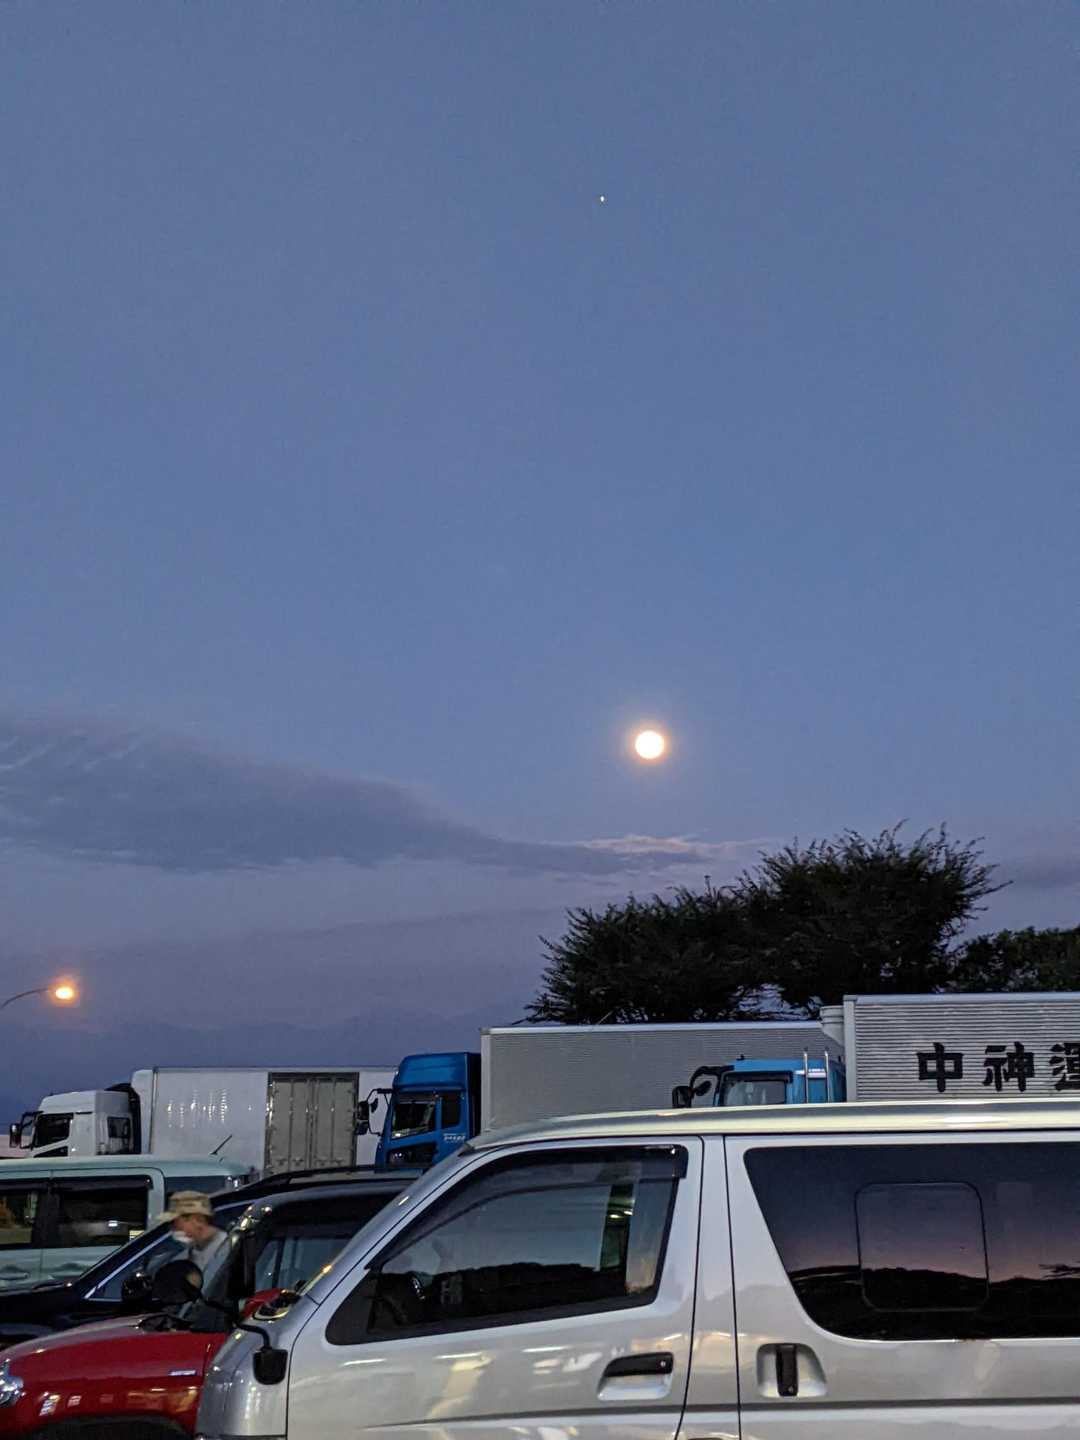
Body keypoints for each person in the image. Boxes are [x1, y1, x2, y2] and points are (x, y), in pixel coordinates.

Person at [157, 1191, 230, 1285]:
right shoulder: (193, 1249)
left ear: (198, 1219)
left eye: (175, 1221)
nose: (173, 1226)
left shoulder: (224, 1248)